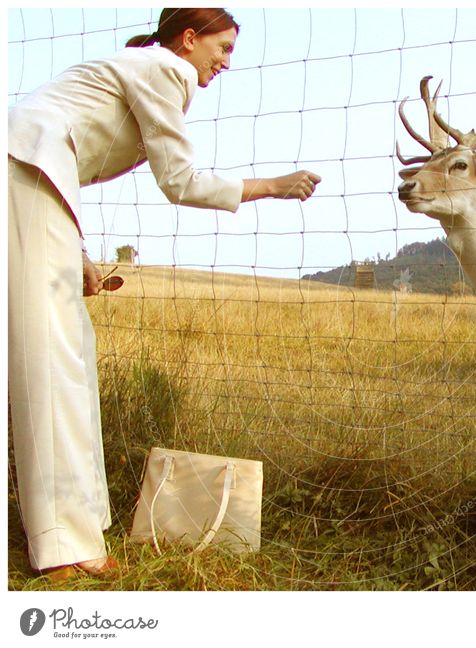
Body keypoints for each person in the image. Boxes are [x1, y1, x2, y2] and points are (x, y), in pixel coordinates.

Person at [7, 7, 321, 580]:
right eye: (221, 48)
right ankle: (61, 547)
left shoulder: (139, 70)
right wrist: (272, 187)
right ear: (188, 39)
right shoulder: (164, 69)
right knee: (52, 360)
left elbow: (63, 162)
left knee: (62, 348)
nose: (226, 62)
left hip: (30, 176)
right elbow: (180, 180)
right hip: (24, 172)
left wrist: (76, 253)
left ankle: (73, 531)